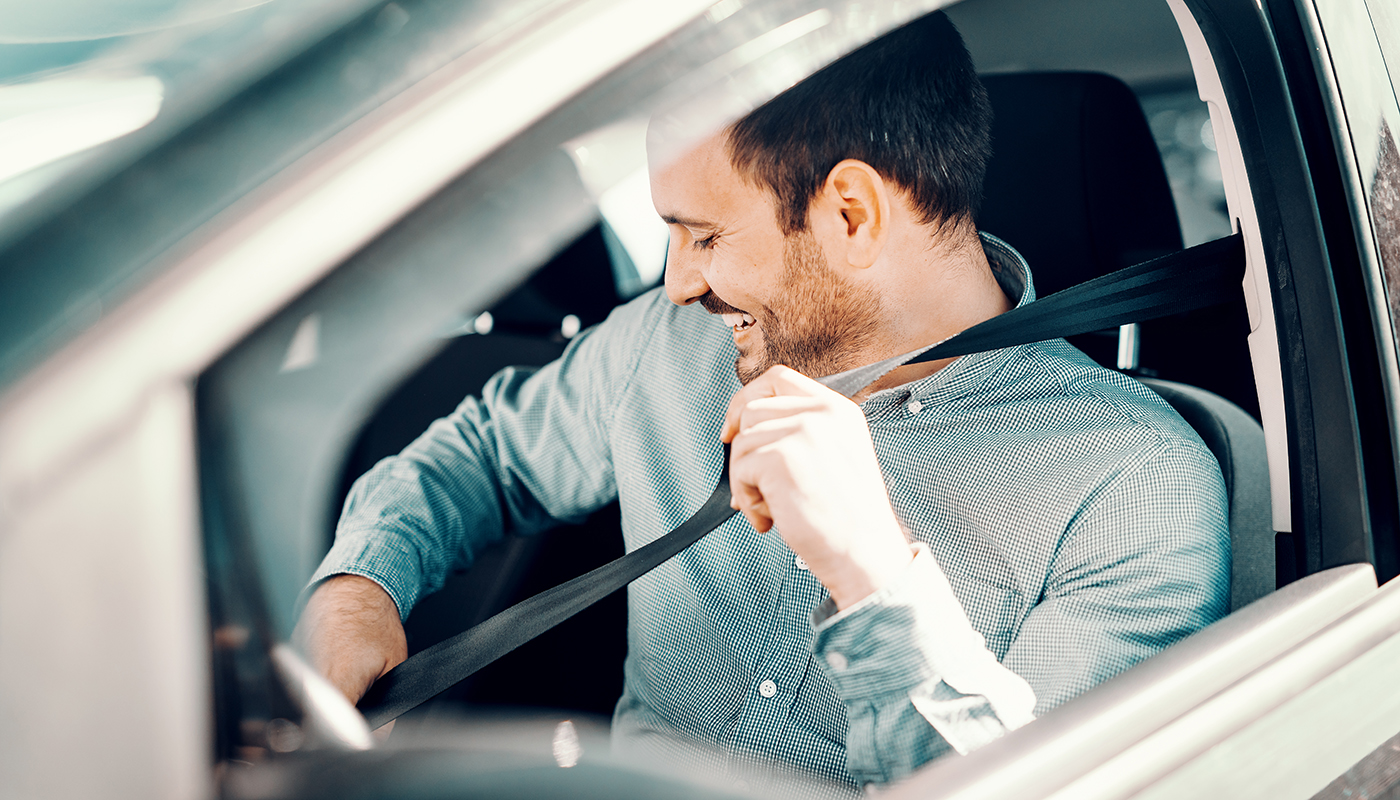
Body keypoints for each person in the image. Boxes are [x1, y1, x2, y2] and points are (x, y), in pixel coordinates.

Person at [294, 11, 1230, 795]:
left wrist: (873, 567)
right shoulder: (667, 348)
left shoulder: (1136, 484)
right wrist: (359, 586)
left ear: (851, 216)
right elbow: (484, 455)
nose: (675, 284)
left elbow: (1037, 790)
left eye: (703, 234)